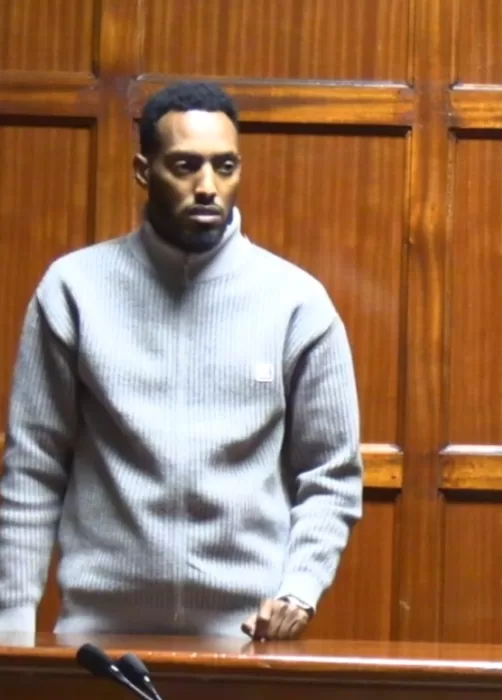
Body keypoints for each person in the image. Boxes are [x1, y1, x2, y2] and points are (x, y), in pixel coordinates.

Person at [0, 81, 364, 640]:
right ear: (144, 171)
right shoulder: (74, 290)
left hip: (247, 643)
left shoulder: (296, 302)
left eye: (225, 166)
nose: (207, 187)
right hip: (98, 640)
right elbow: (34, 466)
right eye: (185, 165)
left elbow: (332, 474)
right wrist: (10, 629)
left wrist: (300, 589)